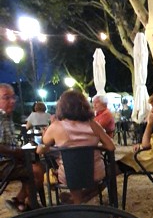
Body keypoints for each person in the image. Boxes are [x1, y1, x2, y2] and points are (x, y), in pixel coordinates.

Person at [38, 89, 115, 204]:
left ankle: (77, 202)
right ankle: (79, 200)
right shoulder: (93, 124)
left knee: (66, 167)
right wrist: (94, 147)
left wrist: (45, 138)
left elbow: (41, 149)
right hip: (95, 173)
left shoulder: (56, 126)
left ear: (61, 107)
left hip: (69, 175)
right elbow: (111, 147)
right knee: (88, 169)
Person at [0, 83, 45, 211]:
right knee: (36, 170)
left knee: (36, 165)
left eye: (13, 97)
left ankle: (22, 202)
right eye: (6, 97)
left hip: (9, 160)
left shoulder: (6, 116)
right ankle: (29, 205)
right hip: (3, 163)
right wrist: (18, 152)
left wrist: (20, 152)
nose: (12, 101)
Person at [118, 92, 153, 174]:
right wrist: (140, 146)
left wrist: (149, 124)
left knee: (114, 165)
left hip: (150, 163)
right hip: (147, 159)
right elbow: (147, 143)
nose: (152, 110)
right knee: (116, 163)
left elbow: (146, 145)